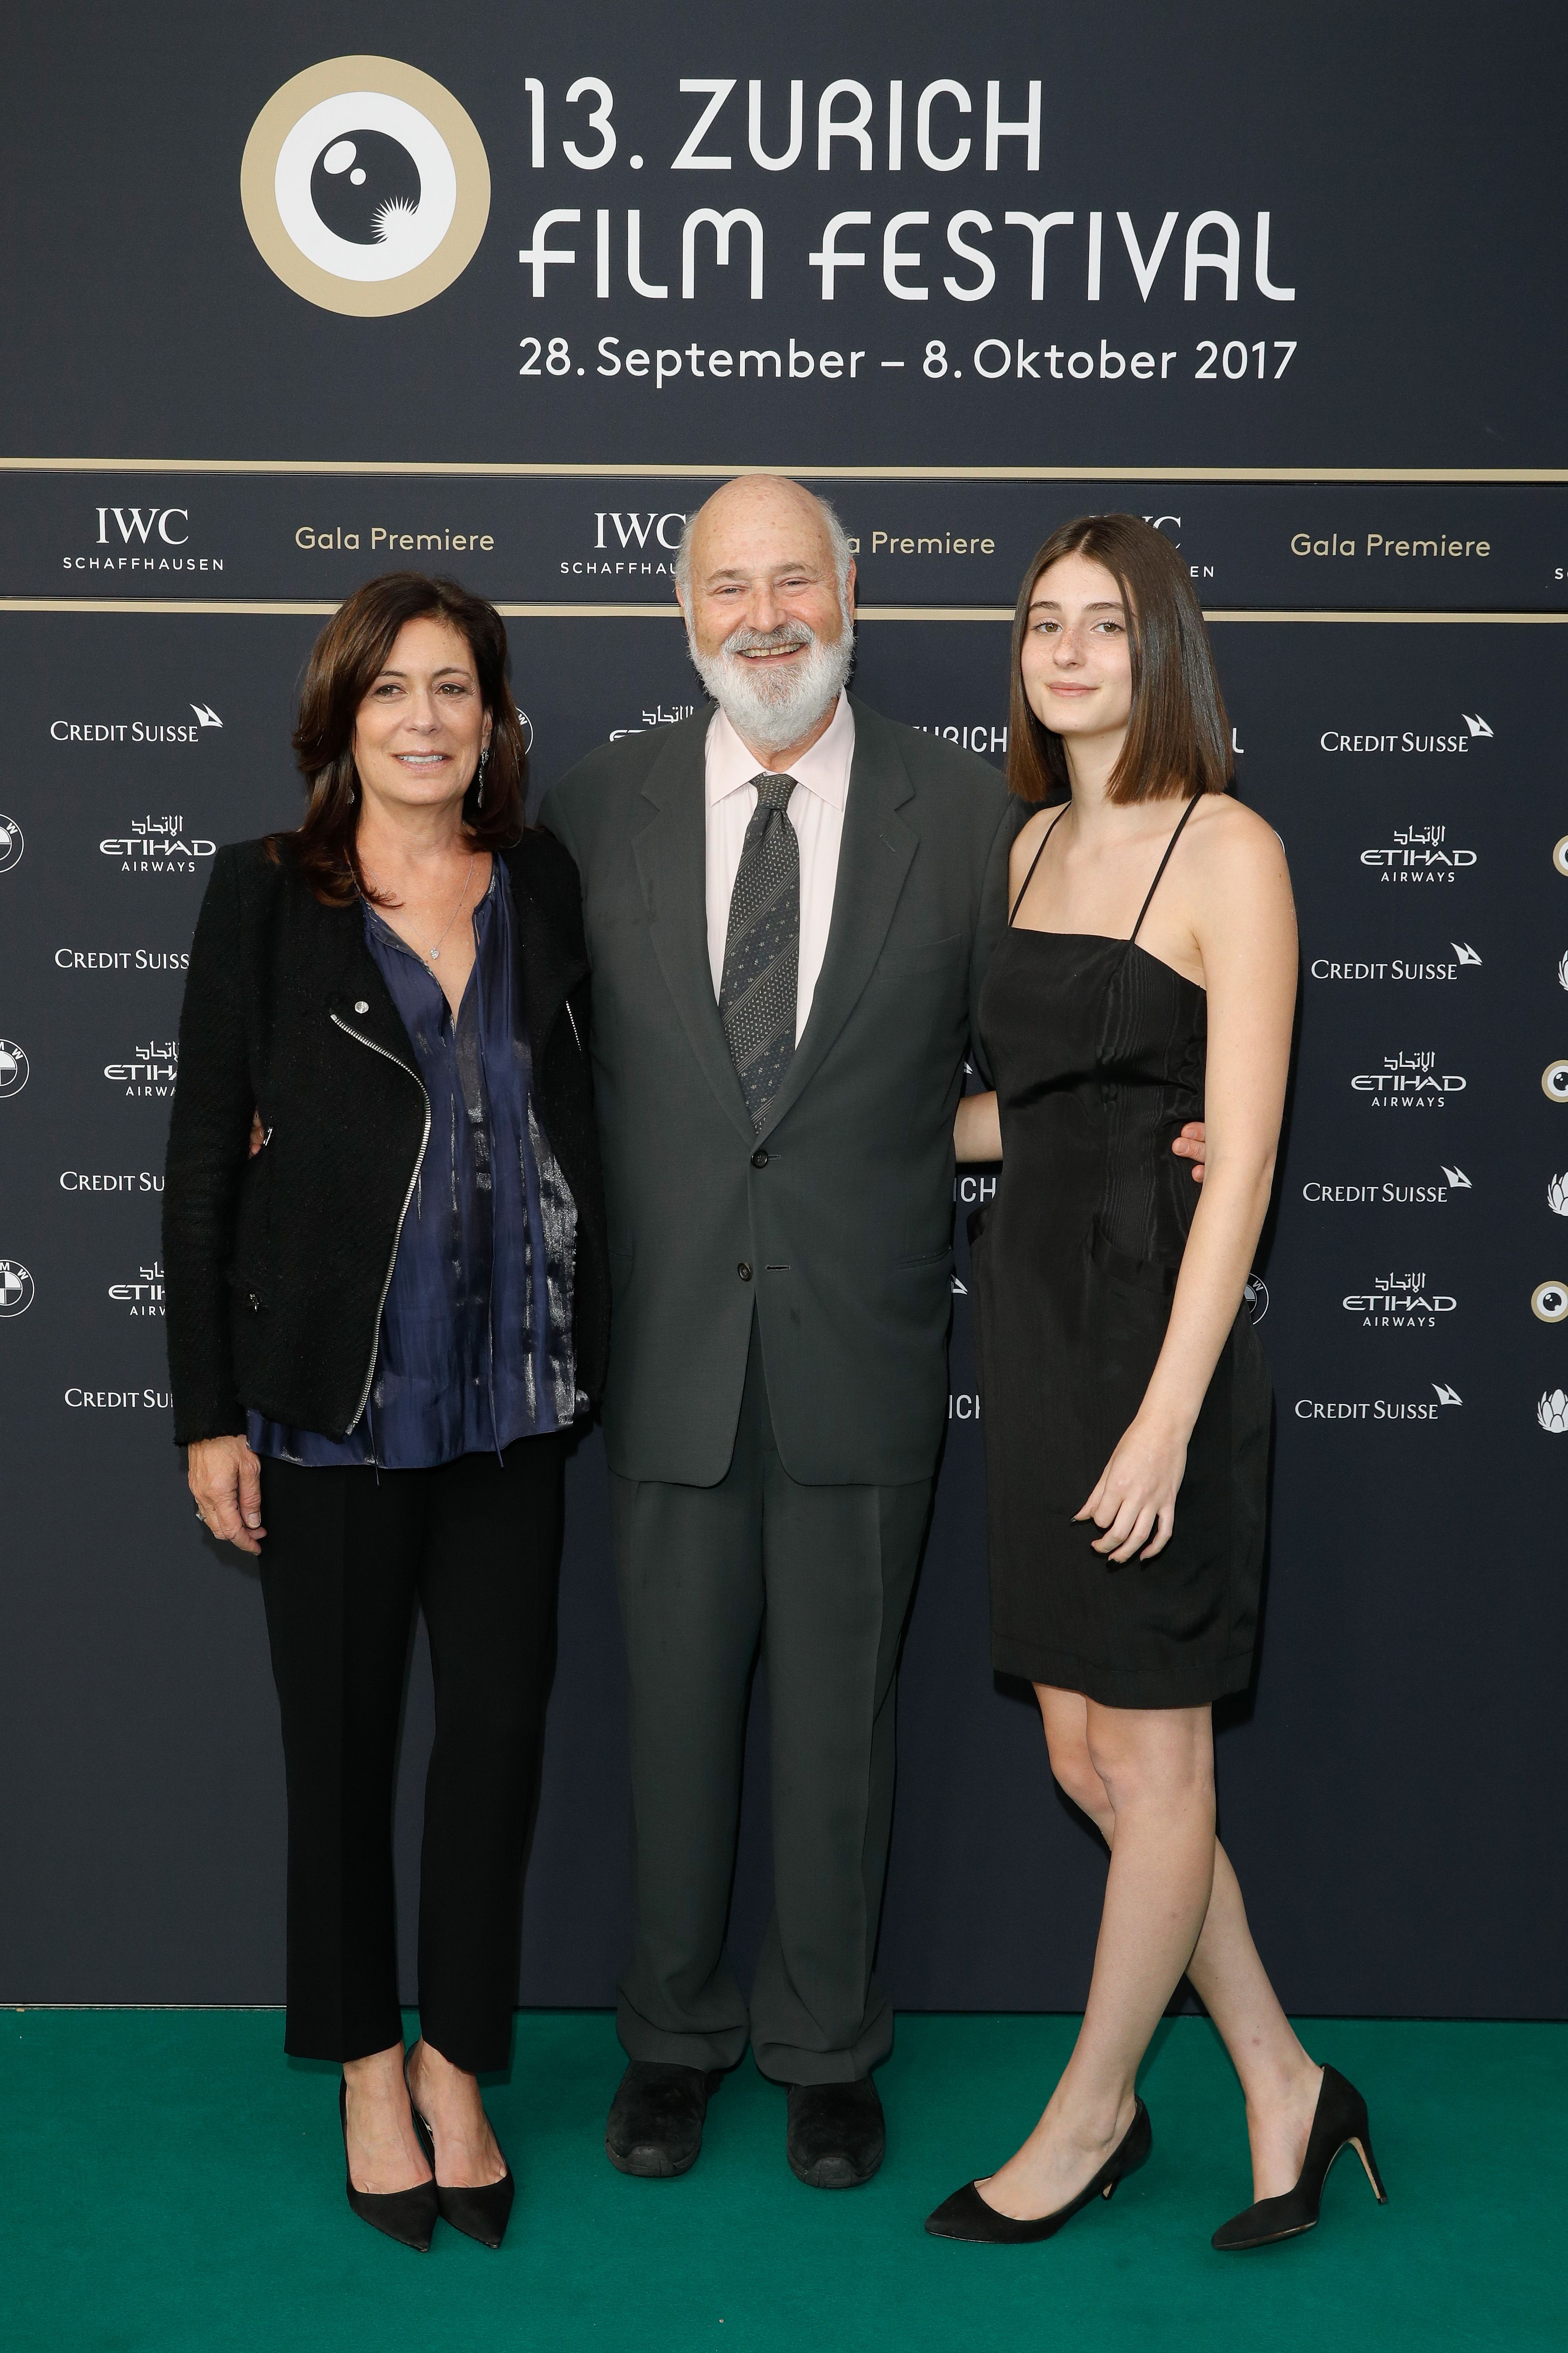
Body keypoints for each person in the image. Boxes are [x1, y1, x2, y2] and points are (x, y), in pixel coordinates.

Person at [539, 478, 1207, 2190]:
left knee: (843, 1730)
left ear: (854, 591)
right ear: (679, 609)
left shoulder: (970, 815)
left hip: (867, 1345)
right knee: (671, 1724)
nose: (762, 616)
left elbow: (1058, 1047)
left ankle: (828, 2048)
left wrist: (1157, 1130)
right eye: (725, 585)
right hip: (670, 1351)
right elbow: (518, 1061)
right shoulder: (594, 807)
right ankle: (675, 2039)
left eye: (794, 580)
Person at [927, 516, 1387, 2252]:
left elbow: (1243, 1152)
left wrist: (1168, 1413)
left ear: (1160, 648)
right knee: (1084, 1754)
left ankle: (1091, 2113)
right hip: (1033, 1326)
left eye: (1101, 625)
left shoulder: (1231, 850)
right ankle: (1277, 2074)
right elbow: (1023, 1108)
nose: (1064, 652)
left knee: (1157, 1756)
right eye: (1042, 623)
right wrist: (831, 1119)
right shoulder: (1030, 839)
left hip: (1155, 1337)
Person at [163, 573, 608, 2252]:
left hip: (518, 1397)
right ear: (342, 718)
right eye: (391, 691)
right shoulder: (265, 900)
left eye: (455, 689)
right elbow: (203, 1163)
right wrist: (209, 1413)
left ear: (493, 720)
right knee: (339, 1758)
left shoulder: (544, 884)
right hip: (333, 1411)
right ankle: (364, 2067)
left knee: (493, 1747)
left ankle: (461, 2072)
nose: (425, 719)